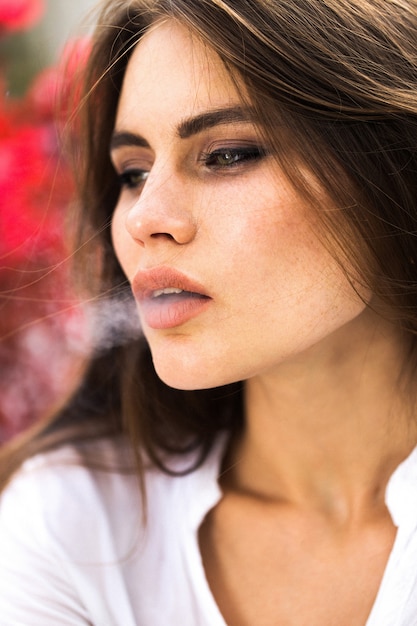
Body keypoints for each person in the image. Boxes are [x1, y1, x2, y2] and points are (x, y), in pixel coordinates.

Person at [1, 0, 417, 624]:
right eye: (134, 172)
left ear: (393, 167)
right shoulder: (76, 525)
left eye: (227, 154)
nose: (145, 218)